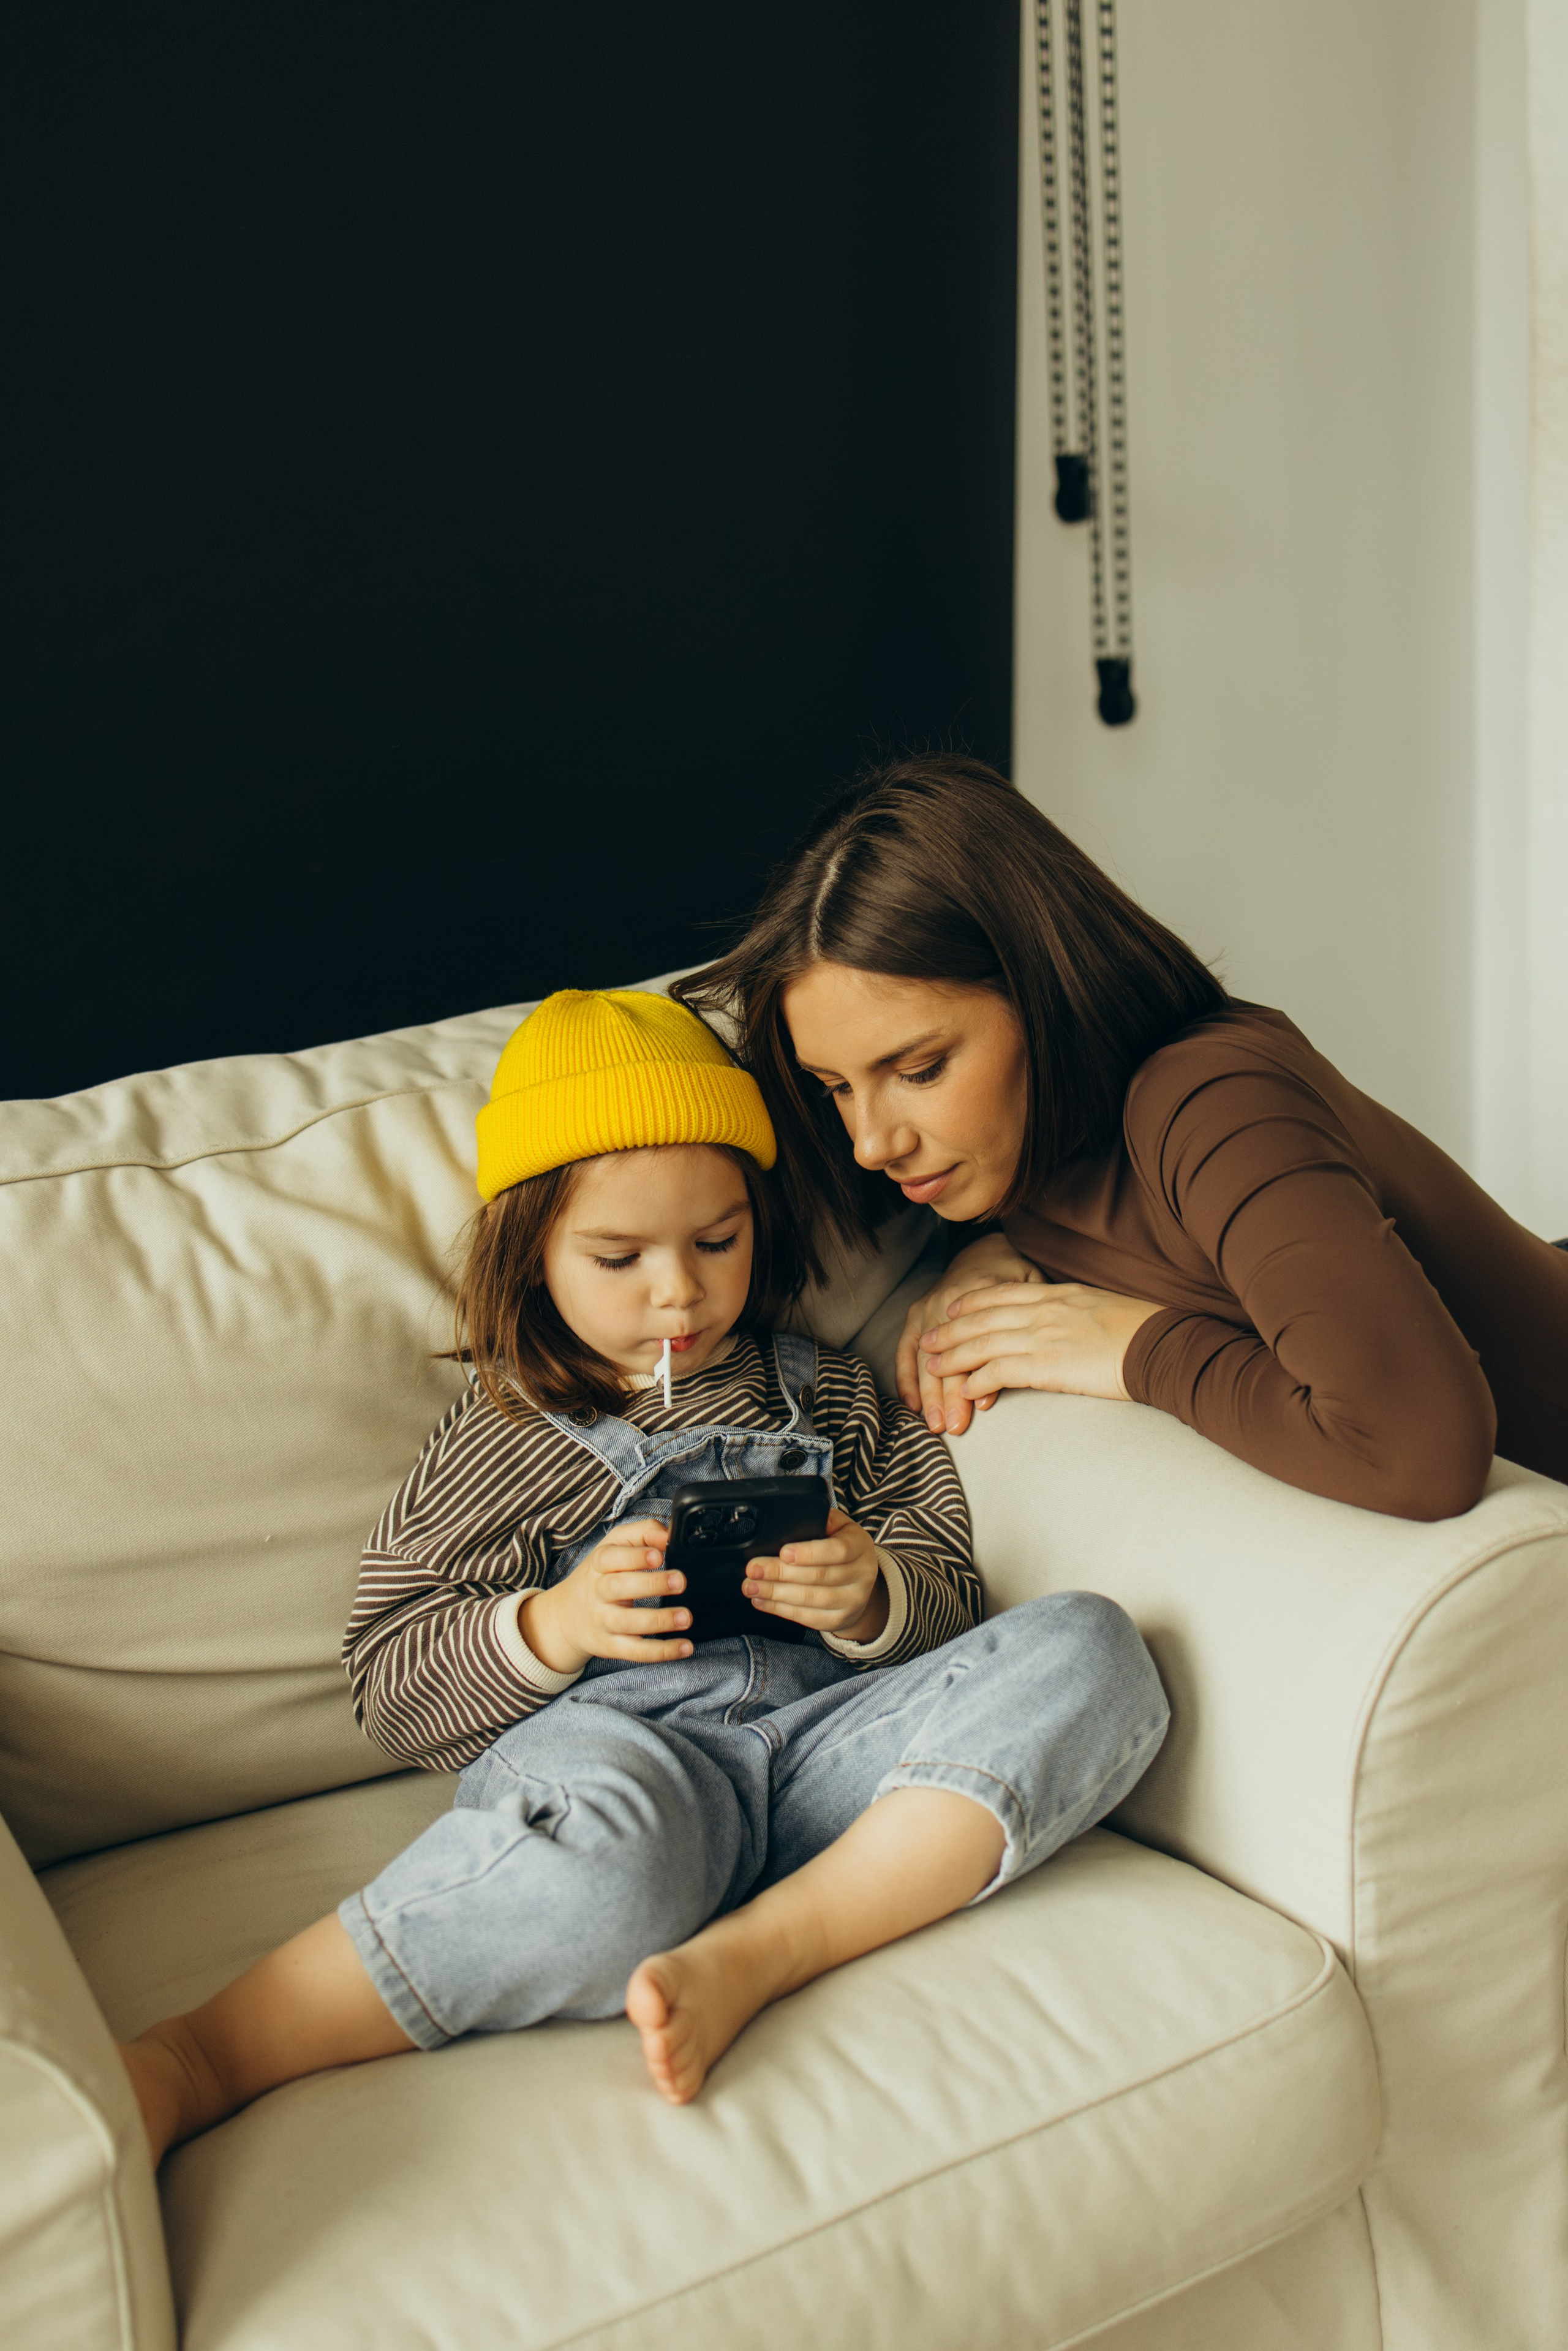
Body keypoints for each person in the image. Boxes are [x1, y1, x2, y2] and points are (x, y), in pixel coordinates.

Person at [119, 988, 1167, 2160]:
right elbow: (387, 1673)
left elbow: (948, 1580)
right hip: (634, 1764)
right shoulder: (511, 1430)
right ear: (533, 1253)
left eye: (717, 1241)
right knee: (609, 1877)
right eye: (619, 1257)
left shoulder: (826, 1390)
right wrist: (556, 1624)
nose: (679, 1293)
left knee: (1091, 1645)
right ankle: (208, 2052)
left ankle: (764, 1948)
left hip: (834, 1761)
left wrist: (873, 1594)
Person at [676, 757, 1568, 1521]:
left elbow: (1419, 1452)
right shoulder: (1009, 1164)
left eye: (919, 1070)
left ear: (1043, 991)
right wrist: (988, 1249)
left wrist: (1134, 1345)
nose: (870, 1142)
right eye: (836, 1087)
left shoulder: (1211, 1100)